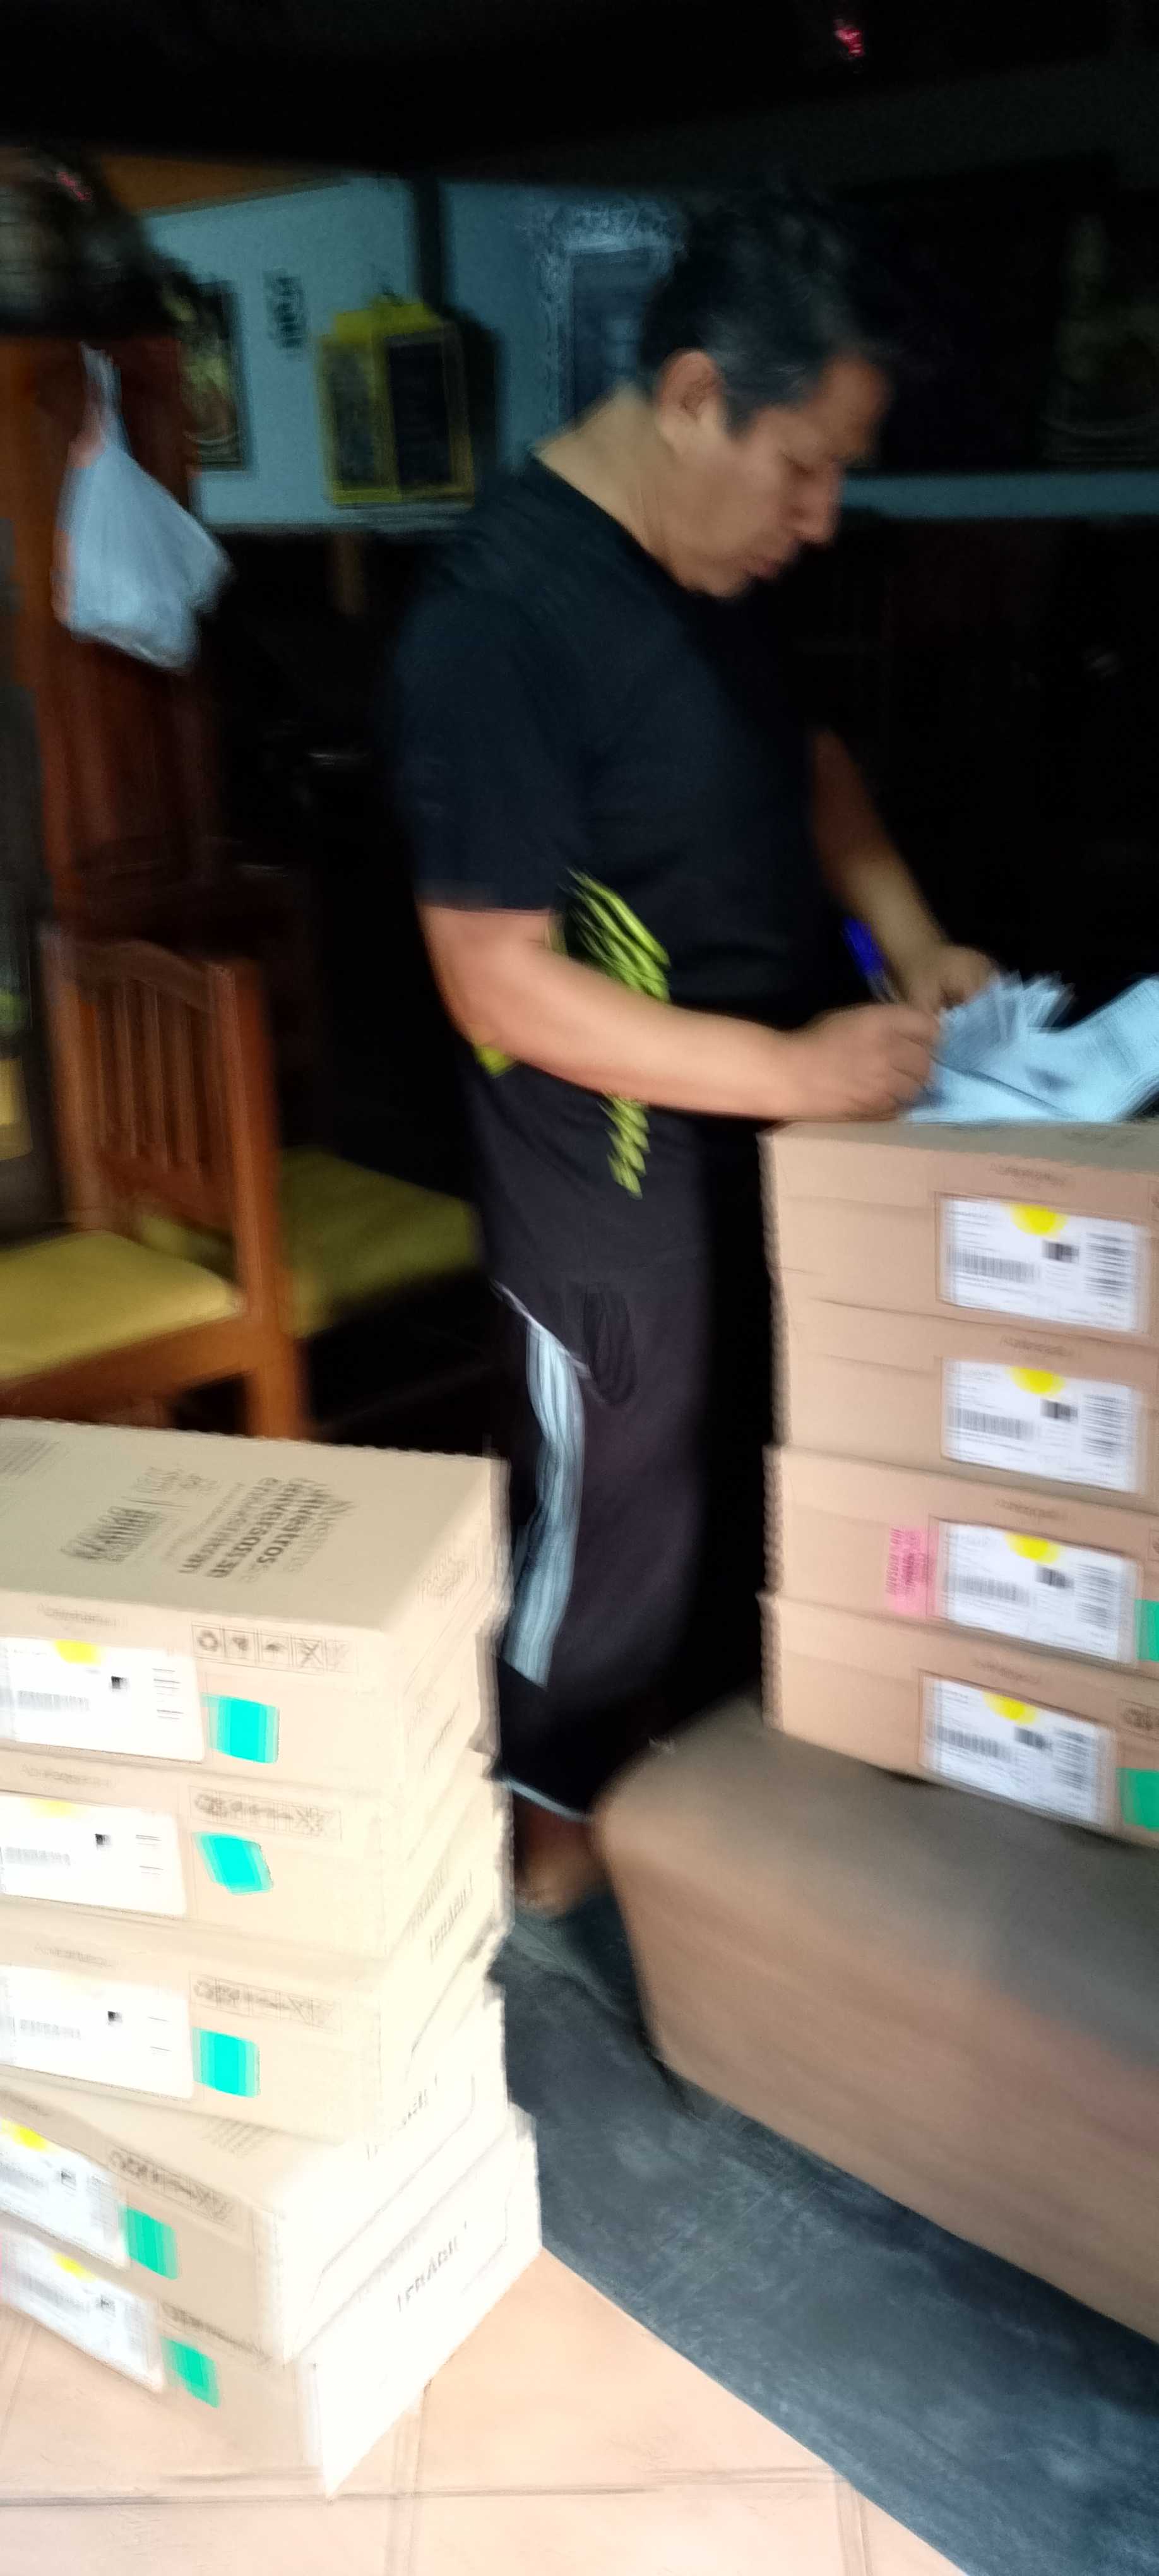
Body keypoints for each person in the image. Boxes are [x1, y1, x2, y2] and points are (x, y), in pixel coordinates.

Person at [391, 181, 993, 1913]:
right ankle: (550, 1863)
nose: (818, 517)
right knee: (618, 1504)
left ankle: (714, 1834)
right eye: (800, 466)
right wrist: (797, 1071)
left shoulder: (715, 564)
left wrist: (909, 935)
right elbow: (497, 982)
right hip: (606, 1163)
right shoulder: (498, 621)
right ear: (692, 396)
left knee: (756, 1464)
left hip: (764, 1118)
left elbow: (811, 769)